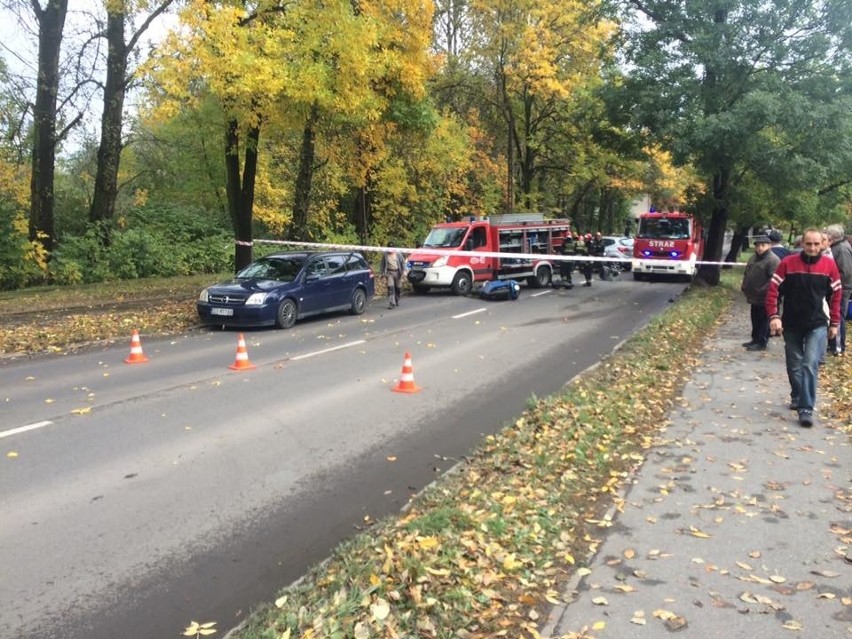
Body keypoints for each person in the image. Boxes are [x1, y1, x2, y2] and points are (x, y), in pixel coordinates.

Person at [766, 228, 842, 427]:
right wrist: (774, 316)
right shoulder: (788, 264)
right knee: (794, 363)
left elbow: (836, 297)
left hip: (817, 323)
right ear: (802, 244)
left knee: (809, 364)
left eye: (817, 244)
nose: (813, 247)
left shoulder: (829, 266)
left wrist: (834, 323)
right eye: (809, 243)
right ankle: (798, 395)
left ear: (823, 244)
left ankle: (806, 408)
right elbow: (773, 291)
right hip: (792, 323)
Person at [740, 235, 780, 351]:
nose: (760, 248)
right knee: (755, 317)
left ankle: (761, 341)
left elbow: (773, 279)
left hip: (765, 296)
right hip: (753, 295)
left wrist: (763, 289)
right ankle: (755, 339)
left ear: (769, 246)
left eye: (763, 245)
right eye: (758, 245)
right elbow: (747, 273)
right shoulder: (753, 258)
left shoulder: (773, 260)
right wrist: (745, 286)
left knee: (763, 319)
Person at [825, 224, 852, 355]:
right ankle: (833, 345)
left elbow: (845, 272)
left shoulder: (841, 249)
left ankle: (837, 347)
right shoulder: (837, 247)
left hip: (842, 288)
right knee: (834, 315)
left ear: (833, 236)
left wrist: (831, 282)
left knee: (838, 316)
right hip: (837, 287)